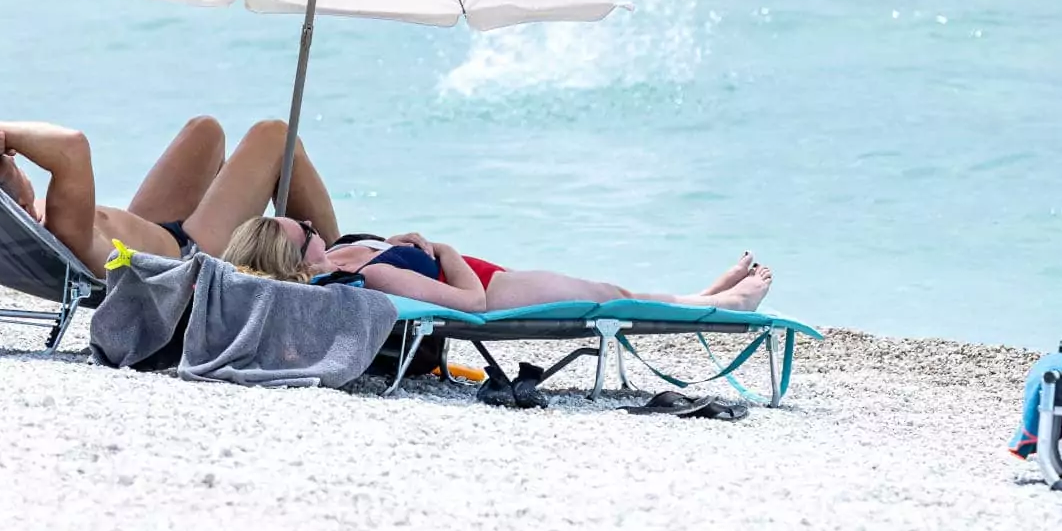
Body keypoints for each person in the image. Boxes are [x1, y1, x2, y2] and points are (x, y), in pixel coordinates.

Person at [0, 115, 336, 277]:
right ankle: (346, 255)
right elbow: (72, 146)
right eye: (8, 166)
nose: (17, 161)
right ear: (6, 195)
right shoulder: (62, 227)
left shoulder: (32, 216)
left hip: (153, 231)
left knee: (205, 130)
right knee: (275, 136)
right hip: (187, 257)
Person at [220, 216, 774, 315]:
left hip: (481, 272)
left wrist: (390, 241)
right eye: (308, 234)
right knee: (608, 293)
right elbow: (473, 304)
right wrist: (446, 251)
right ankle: (723, 303)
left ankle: (701, 295)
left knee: (613, 287)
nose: (318, 230)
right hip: (490, 288)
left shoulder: (340, 260)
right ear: (295, 262)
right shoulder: (369, 277)